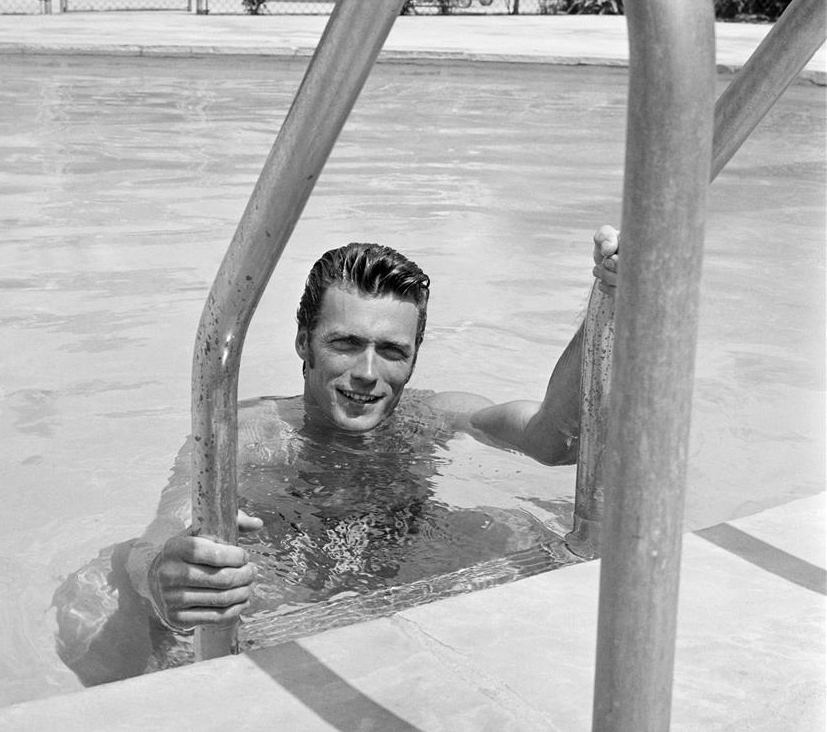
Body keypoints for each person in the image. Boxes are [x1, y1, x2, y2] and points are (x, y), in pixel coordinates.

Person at [111, 225, 620, 642]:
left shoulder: (434, 416)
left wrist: (610, 298)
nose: (368, 374)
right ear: (303, 342)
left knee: (521, 533)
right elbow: (158, 536)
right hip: (285, 598)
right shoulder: (246, 435)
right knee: (100, 581)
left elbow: (555, 440)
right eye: (346, 343)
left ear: (414, 357)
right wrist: (162, 579)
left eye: (392, 351)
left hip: (408, 578)